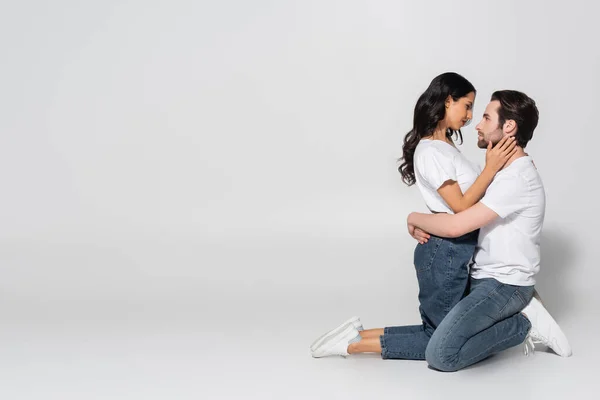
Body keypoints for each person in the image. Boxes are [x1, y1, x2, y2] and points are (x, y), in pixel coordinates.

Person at [310, 90, 572, 370]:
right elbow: (463, 210)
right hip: (482, 279)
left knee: (442, 354)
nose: (477, 124)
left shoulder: (517, 177)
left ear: (508, 127)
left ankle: (525, 323)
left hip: (505, 286)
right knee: (436, 334)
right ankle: (355, 339)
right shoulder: (502, 173)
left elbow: (458, 224)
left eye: (485, 116)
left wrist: (414, 217)